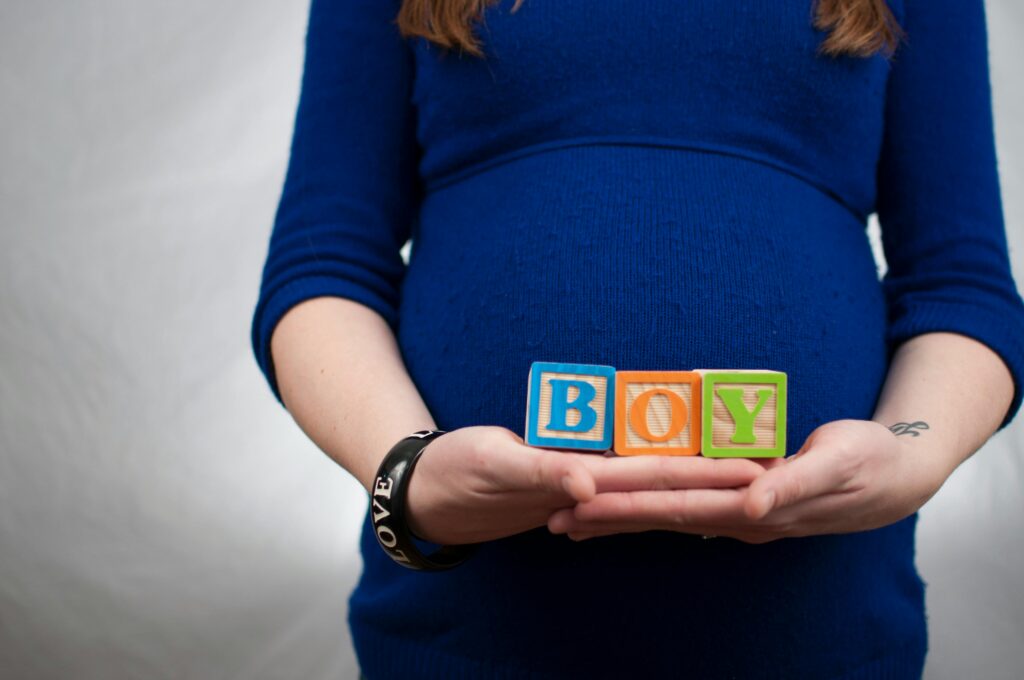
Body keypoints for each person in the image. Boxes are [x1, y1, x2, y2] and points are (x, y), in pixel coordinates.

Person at [250, 0, 1024, 677]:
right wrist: (406, 476)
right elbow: (326, 264)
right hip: (467, 633)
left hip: (817, 631)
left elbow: (962, 285)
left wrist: (909, 453)